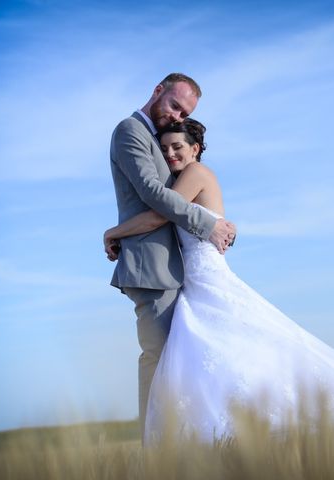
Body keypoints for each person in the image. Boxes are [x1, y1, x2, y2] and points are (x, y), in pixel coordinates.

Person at [104, 118, 334, 444]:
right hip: (196, 282)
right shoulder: (185, 177)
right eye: (164, 149)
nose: (169, 154)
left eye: (177, 147)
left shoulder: (197, 173)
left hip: (207, 279)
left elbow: (157, 217)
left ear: (194, 148)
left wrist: (114, 232)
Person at [106, 73, 237, 437]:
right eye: (174, 105)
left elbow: (182, 196)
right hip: (151, 267)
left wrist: (219, 221)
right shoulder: (129, 130)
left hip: (177, 268)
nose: (178, 116)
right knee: (159, 360)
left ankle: (185, 444)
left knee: (178, 365)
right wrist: (207, 224)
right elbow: (151, 193)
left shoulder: (161, 142)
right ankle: (154, 454)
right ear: (157, 91)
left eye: (185, 114)